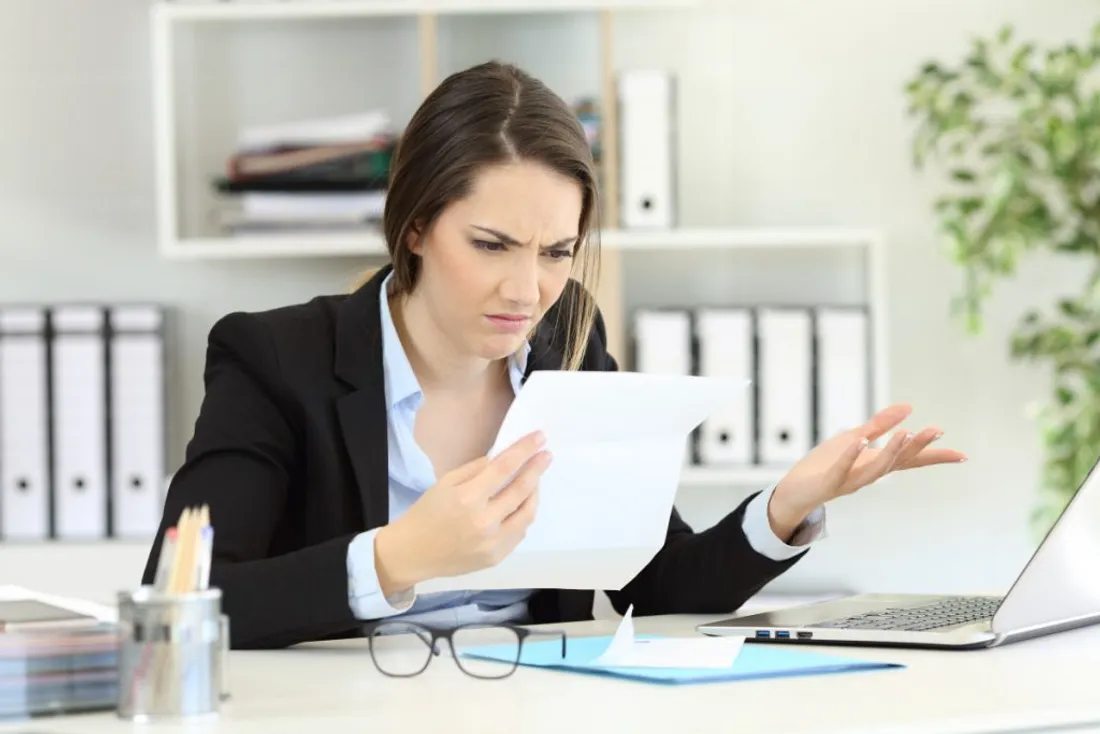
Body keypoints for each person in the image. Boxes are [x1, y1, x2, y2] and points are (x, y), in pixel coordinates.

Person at [141, 60, 967, 651]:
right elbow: (183, 601)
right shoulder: (274, 355)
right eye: (492, 244)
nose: (526, 290)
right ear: (416, 228)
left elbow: (653, 579)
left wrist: (788, 503)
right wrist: (400, 557)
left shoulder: (568, 334)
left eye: (556, 251)